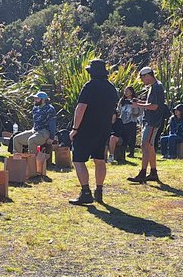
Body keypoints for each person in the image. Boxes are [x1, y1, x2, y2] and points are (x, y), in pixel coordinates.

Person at [69, 58, 119, 204]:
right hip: (103, 129)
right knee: (99, 159)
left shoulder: (89, 86)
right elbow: (113, 112)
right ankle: (99, 190)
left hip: (86, 128)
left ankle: (85, 192)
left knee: (78, 160)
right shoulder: (111, 88)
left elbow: (81, 108)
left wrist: (75, 128)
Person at [128, 66, 166, 184]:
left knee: (145, 145)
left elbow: (154, 106)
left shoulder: (157, 88)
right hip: (150, 120)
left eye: (142, 78)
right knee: (149, 147)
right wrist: (139, 102)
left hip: (153, 121)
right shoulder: (154, 87)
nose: (142, 81)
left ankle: (143, 173)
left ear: (148, 75)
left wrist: (138, 106)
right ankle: (153, 172)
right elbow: (151, 103)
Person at [108, 86, 141, 161]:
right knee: (123, 136)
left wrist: (133, 106)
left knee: (131, 137)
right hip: (122, 121)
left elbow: (138, 112)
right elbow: (118, 110)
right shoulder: (122, 100)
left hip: (131, 121)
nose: (126, 92)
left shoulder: (134, 100)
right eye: (125, 91)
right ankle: (122, 151)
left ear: (131, 92)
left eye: (127, 91)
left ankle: (131, 152)